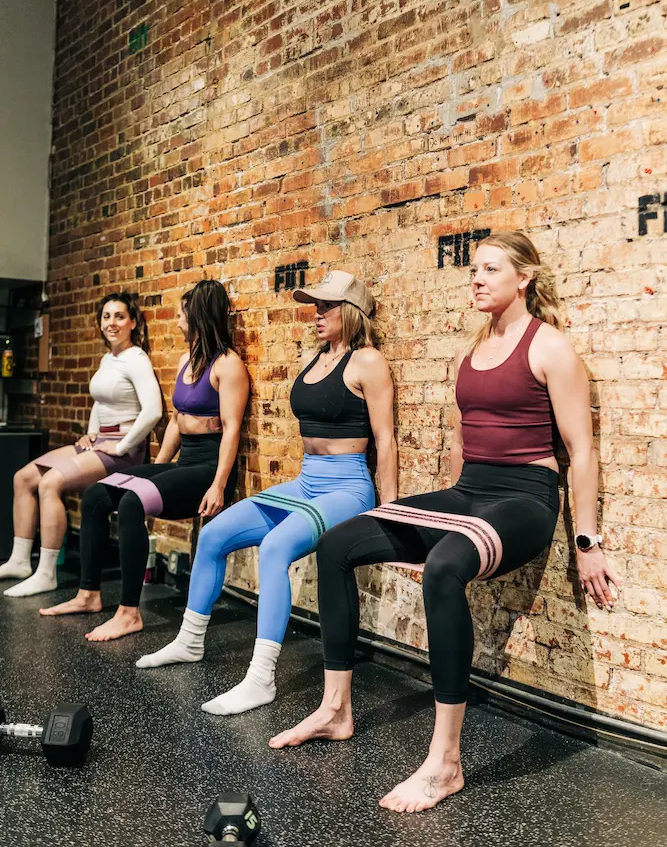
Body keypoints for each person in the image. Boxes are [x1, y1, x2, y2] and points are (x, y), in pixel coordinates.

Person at [270, 231, 623, 814]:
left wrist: (586, 540)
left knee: (445, 567)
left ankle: (446, 763)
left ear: (524, 278)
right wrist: (427, 516)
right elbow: (463, 445)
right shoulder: (473, 348)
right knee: (337, 544)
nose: (477, 278)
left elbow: (580, 452)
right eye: (475, 270)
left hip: (526, 501)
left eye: (490, 269)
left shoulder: (550, 348)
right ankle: (335, 709)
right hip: (470, 493)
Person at [136, 270, 398, 720]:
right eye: (314, 305)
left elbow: (386, 439)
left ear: (352, 312)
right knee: (216, 533)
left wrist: (389, 511)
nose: (316, 313)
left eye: (326, 306)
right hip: (308, 480)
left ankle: (261, 678)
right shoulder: (316, 360)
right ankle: (190, 640)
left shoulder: (368, 362)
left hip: (348, 486)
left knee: (275, 548)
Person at [40, 278, 249, 642]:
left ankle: (128, 613)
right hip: (183, 464)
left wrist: (218, 485)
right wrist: (154, 469)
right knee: (96, 496)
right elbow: (177, 420)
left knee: (134, 502)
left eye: (183, 315)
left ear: (198, 317)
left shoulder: (228, 365)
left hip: (209, 469)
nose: (178, 322)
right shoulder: (187, 360)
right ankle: (88, 595)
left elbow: (231, 430)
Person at [1, 292, 161, 598]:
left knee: (50, 483)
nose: (112, 323)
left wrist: (122, 446)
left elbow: (152, 410)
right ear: (100, 323)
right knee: (23, 478)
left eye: (119, 316)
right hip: (100, 442)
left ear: (132, 322)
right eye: (106, 317)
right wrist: (91, 433)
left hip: (122, 450)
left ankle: (46, 573)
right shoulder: (108, 359)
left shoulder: (136, 358)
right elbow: (100, 403)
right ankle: (20, 560)